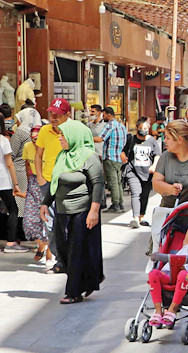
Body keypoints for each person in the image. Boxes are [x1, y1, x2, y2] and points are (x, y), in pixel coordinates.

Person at [40, 120, 105, 304]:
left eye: (63, 135)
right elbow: (55, 182)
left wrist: (94, 210)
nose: (60, 138)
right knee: (63, 250)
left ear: (74, 137)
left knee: (75, 251)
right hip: (62, 210)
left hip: (82, 210)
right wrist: (46, 203)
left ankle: (73, 292)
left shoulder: (89, 157)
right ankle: (90, 278)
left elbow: (98, 184)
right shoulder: (63, 156)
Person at [147, 189, 188, 327]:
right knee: (154, 273)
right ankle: (158, 311)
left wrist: (185, 269)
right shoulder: (187, 244)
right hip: (169, 275)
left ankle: (171, 310)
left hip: (187, 279)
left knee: (183, 274)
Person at [35, 98, 71, 270]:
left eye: (58, 114)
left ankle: (69, 258)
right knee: (50, 224)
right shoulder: (44, 130)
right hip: (47, 182)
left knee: (66, 223)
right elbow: (38, 155)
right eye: (51, 114)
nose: (53, 117)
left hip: (67, 182)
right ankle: (60, 259)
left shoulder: (72, 131)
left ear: (67, 115)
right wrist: (40, 178)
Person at [9, 107, 42, 239]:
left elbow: (11, 154)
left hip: (18, 170)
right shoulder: (37, 131)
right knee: (28, 200)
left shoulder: (20, 133)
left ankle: (19, 233)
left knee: (19, 201)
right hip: (30, 170)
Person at [121, 119, 161, 228]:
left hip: (147, 172)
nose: (143, 131)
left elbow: (157, 154)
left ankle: (141, 216)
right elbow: (124, 150)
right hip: (133, 170)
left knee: (144, 195)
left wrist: (154, 165)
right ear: (137, 128)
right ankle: (135, 218)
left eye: (145, 129)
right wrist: (123, 155)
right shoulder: (131, 139)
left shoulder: (152, 141)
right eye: (141, 128)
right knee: (136, 192)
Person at [22, 125, 50, 262]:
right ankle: (41, 244)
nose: (35, 142)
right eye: (33, 139)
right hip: (34, 182)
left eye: (37, 139)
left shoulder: (49, 148)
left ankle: (50, 251)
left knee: (50, 219)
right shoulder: (28, 147)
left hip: (48, 181)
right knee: (29, 220)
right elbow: (27, 164)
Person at [94, 107, 126, 213]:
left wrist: (86, 137)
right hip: (118, 158)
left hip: (110, 157)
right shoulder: (121, 126)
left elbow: (100, 138)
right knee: (118, 182)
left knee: (113, 182)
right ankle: (120, 204)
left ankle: (115, 204)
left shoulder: (111, 125)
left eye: (104, 115)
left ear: (108, 114)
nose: (103, 117)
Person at [1, 116, 25, 252]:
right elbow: (9, 163)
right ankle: (10, 243)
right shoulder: (3, 140)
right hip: (3, 180)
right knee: (13, 209)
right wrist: (15, 184)